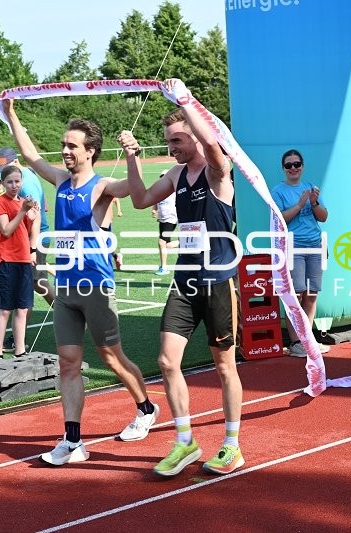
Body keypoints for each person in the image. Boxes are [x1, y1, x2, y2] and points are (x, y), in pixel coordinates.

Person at [1, 98, 159, 465]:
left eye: (72, 145)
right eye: (64, 144)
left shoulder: (102, 186)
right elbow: (28, 154)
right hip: (67, 290)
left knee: (112, 357)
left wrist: (133, 155)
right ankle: (73, 441)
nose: (65, 150)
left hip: (97, 287)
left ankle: (146, 407)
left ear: (90, 151)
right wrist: (10, 112)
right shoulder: (59, 179)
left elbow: (137, 195)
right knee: (69, 364)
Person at [117, 78, 244, 477]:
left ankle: (231, 445)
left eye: (177, 140)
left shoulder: (217, 172)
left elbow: (211, 146)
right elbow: (139, 200)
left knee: (224, 367)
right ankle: (185, 442)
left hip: (219, 282)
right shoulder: (174, 176)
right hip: (185, 281)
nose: (172, 147)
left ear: (194, 134)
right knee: (167, 362)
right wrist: (133, 156)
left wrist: (186, 100)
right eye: (169, 141)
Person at [270, 149, 331, 357]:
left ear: (302, 166)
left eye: (297, 164)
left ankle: (308, 339)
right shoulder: (278, 191)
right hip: (293, 247)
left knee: (312, 294)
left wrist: (313, 202)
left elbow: (323, 217)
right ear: (283, 168)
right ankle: (296, 342)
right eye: (289, 165)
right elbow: (280, 221)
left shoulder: (310, 187)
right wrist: (299, 204)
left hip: (315, 245)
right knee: (295, 295)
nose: (293, 168)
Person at [0, 147, 56, 307]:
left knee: (36, 282)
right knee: (31, 283)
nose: (2, 172)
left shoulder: (24, 183)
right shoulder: (25, 174)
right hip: (29, 237)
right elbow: (43, 205)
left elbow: (37, 216)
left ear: (15, 161)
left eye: (4, 167)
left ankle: (67, 314)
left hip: (35, 237)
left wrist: (32, 248)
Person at [0, 166, 40, 359]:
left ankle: (20, 351)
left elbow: (25, 232)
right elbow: (6, 230)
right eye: (9, 182)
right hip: (5, 260)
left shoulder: (22, 202)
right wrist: (22, 212)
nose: (14, 185)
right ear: (3, 183)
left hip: (23, 259)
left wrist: (32, 217)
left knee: (22, 308)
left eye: (17, 181)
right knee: (5, 309)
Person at [151, 169, 178, 275]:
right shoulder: (160, 192)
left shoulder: (174, 191)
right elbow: (156, 202)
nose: (163, 179)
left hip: (171, 219)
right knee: (166, 244)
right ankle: (184, 243)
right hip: (162, 219)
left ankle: (164, 267)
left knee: (161, 242)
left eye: (165, 177)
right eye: (162, 177)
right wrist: (154, 210)